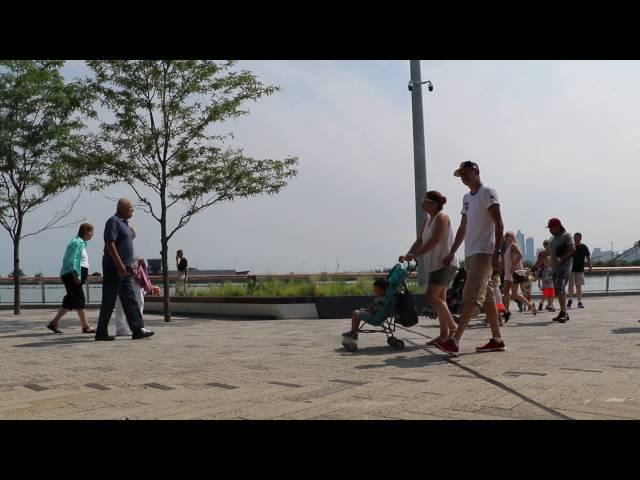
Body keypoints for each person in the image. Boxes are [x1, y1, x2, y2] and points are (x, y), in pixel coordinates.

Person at [438, 161, 505, 356]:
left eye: (466, 173)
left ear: (476, 172)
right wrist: (452, 251)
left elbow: (499, 224)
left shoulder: (488, 192)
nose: (464, 177)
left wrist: (498, 253)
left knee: (471, 295)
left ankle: (455, 340)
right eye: (461, 175)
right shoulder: (466, 198)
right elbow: (463, 226)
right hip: (470, 252)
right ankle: (497, 339)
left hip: (484, 251)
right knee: (489, 297)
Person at [402, 190, 459, 345]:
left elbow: (435, 240)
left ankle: (453, 327)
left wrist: (416, 255)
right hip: (434, 264)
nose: (422, 203)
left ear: (434, 204)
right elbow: (420, 240)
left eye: (425, 200)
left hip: (445, 263)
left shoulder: (442, 217)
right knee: (440, 299)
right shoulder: (427, 220)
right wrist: (409, 254)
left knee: (431, 297)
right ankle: (443, 335)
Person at [95, 198, 154, 341]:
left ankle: (138, 329)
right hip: (114, 268)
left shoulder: (125, 224)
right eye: (130, 208)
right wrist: (119, 264)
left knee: (130, 300)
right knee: (109, 300)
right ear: (121, 208)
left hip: (126, 269)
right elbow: (110, 244)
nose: (133, 210)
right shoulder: (113, 221)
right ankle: (101, 333)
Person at [47, 223, 96, 334]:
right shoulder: (77, 242)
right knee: (80, 299)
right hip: (71, 275)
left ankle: (53, 323)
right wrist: (76, 275)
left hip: (73, 274)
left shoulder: (81, 243)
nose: (92, 235)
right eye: (91, 232)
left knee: (70, 301)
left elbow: (80, 261)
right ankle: (86, 326)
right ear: (86, 231)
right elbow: (71, 259)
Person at [114, 257, 156, 336]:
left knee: (123, 301)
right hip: (127, 271)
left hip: (128, 271)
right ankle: (135, 326)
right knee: (136, 300)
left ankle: (125, 327)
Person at [502, 231, 537, 322]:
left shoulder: (513, 245)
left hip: (514, 272)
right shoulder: (508, 247)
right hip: (508, 272)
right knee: (506, 291)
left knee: (513, 293)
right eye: (505, 236)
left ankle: (528, 305)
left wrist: (513, 266)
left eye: (507, 236)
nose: (505, 237)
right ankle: (507, 310)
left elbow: (520, 255)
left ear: (512, 237)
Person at [546, 217, 576, 323]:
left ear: (558, 226)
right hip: (555, 269)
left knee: (560, 288)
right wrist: (536, 266)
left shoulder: (567, 236)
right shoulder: (551, 239)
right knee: (558, 291)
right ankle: (563, 312)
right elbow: (546, 253)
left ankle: (563, 312)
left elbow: (572, 249)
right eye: (549, 228)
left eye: (551, 227)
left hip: (565, 267)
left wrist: (561, 258)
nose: (550, 230)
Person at [567, 233, 592, 309]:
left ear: (580, 238)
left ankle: (579, 301)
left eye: (577, 237)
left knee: (578, 286)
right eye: (575, 237)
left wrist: (590, 266)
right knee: (571, 286)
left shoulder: (584, 247)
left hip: (580, 270)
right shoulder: (571, 247)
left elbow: (588, 257)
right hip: (571, 269)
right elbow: (566, 257)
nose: (576, 239)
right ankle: (570, 300)